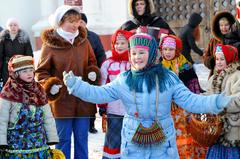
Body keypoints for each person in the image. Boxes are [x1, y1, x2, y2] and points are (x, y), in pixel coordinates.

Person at [63, 32, 232, 159]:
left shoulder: (168, 78)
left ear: (151, 54)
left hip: (163, 144)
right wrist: (76, 85)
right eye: (134, 53)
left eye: (142, 52)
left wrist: (217, 101)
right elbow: (99, 94)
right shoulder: (124, 80)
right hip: (133, 142)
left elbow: (191, 101)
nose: (137, 57)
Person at [35, 5, 101, 159]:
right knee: (63, 140)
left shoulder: (83, 41)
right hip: (61, 102)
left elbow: (92, 61)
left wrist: (92, 72)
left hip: (83, 99)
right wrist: (49, 85)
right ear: (60, 21)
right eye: (71, 21)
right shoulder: (50, 44)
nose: (75, 25)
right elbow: (41, 72)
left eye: (77, 21)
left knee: (82, 139)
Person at [0, 55, 59, 158]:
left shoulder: (39, 90)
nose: (29, 73)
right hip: (16, 144)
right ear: (16, 74)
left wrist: (52, 137)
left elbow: (48, 117)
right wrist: (1, 141)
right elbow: (2, 119)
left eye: (31, 70)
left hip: (39, 142)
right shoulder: (8, 93)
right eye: (24, 71)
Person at [160, 35, 207, 158]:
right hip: (165, 110)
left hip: (183, 110)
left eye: (171, 49)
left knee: (185, 135)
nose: (167, 52)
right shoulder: (159, 67)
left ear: (177, 50)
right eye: (165, 49)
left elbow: (193, 86)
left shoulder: (185, 66)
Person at [99, 29, 132, 159]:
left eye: (122, 43)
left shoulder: (133, 63)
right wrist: (102, 104)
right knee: (114, 140)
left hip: (131, 111)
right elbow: (103, 86)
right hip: (113, 110)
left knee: (130, 140)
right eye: (116, 43)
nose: (119, 46)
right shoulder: (108, 64)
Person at [205, 44, 240, 159]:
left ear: (229, 59)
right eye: (217, 59)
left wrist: (220, 104)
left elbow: (238, 99)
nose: (219, 62)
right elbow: (207, 95)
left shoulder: (236, 76)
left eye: (222, 59)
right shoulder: (213, 78)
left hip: (232, 127)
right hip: (215, 128)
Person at [80, 12, 106, 134]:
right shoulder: (74, 37)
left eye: (82, 22)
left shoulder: (93, 37)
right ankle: (81, 124)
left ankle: (91, 124)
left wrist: (100, 70)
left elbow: (100, 54)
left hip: (91, 74)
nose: (79, 24)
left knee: (90, 101)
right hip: (78, 73)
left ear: (85, 23)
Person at [203, 11, 240, 78]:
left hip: (232, 75)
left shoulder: (236, 39)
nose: (224, 28)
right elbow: (205, 56)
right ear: (218, 26)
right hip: (217, 76)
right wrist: (210, 61)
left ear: (230, 25)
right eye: (221, 25)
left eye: (226, 25)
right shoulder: (213, 41)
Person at [0, 18, 33, 86]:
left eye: (15, 25)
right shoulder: (3, 38)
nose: (13, 27)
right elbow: (0, 55)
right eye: (10, 25)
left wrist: (29, 68)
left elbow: (29, 54)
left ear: (18, 26)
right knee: (8, 87)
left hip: (21, 66)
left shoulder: (24, 37)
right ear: (7, 27)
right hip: (6, 68)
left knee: (21, 86)